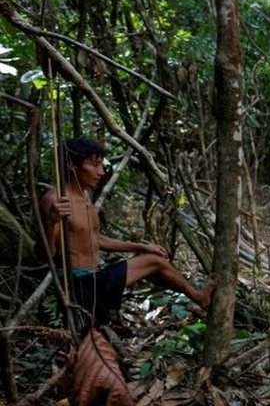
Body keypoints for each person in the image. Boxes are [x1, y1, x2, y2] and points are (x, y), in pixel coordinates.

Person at [38, 138, 215, 330]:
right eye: (94, 165)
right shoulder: (55, 201)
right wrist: (50, 223)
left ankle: (199, 297)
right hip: (78, 285)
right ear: (72, 165)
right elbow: (44, 255)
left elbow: (94, 238)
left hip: (99, 277)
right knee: (90, 340)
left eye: (101, 165)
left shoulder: (85, 195)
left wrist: (141, 247)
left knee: (155, 259)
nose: (101, 172)